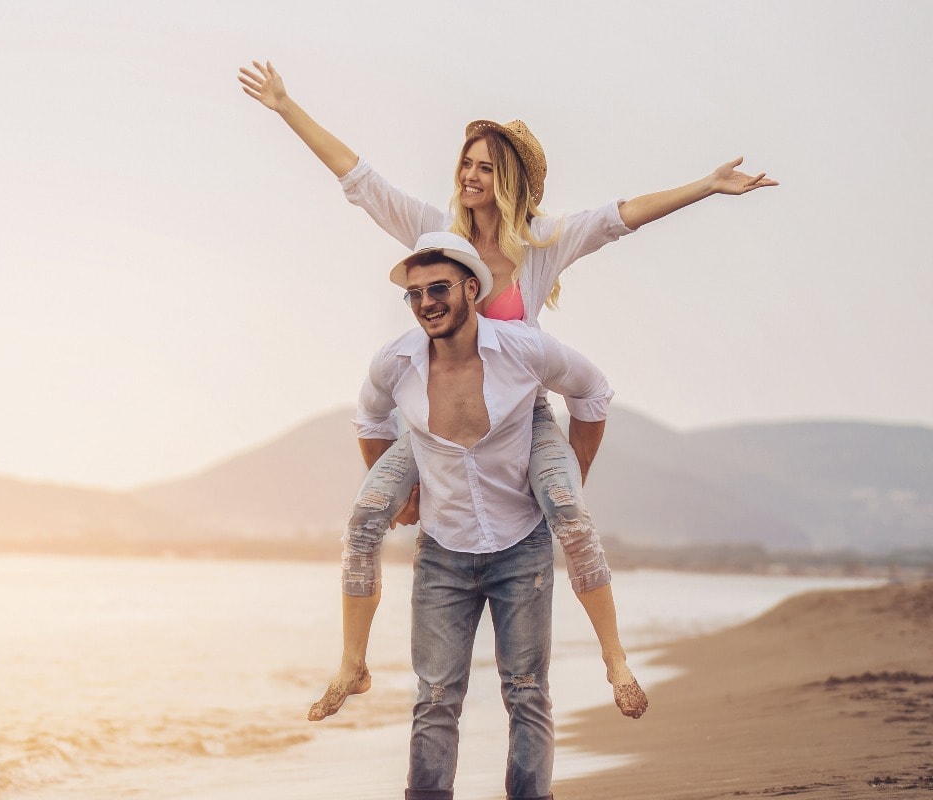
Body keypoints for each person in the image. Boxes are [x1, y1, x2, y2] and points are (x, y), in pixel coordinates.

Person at [236, 59, 777, 721]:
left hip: (524, 419)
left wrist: (708, 185)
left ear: (509, 179)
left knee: (570, 518)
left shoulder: (543, 242)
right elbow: (360, 179)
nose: (469, 175)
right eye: (466, 162)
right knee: (364, 517)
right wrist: (287, 106)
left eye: (485, 166)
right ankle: (352, 664)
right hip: (435, 421)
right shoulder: (437, 233)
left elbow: (622, 216)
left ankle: (615, 660)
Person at [369, 235, 613, 800]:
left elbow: (593, 391)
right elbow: (369, 415)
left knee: (527, 694)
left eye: (438, 288)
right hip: (442, 553)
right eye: (414, 295)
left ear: (472, 289)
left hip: (520, 544)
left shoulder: (522, 348)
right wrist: (405, 494)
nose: (426, 302)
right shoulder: (399, 361)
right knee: (434, 699)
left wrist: (570, 471)